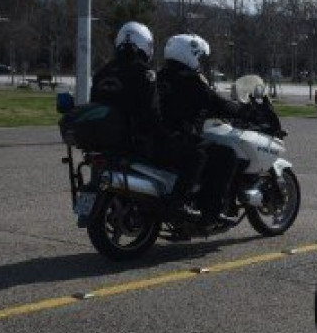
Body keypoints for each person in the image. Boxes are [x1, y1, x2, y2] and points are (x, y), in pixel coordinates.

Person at [156, 33, 248, 217]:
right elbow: (216, 102)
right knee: (226, 155)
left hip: (159, 136)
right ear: (188, 54)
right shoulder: (190, 81)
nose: (199, 61)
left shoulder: (160, 76)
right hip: (177, 136)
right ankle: (211, 210)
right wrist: (242, 110)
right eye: (198, 56)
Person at [90, 22, 168, 158]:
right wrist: (166, 134)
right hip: (134, 143)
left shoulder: (101, 72)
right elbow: (151, 113)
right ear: (145, 44)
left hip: (102, 142)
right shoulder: (145, 73)